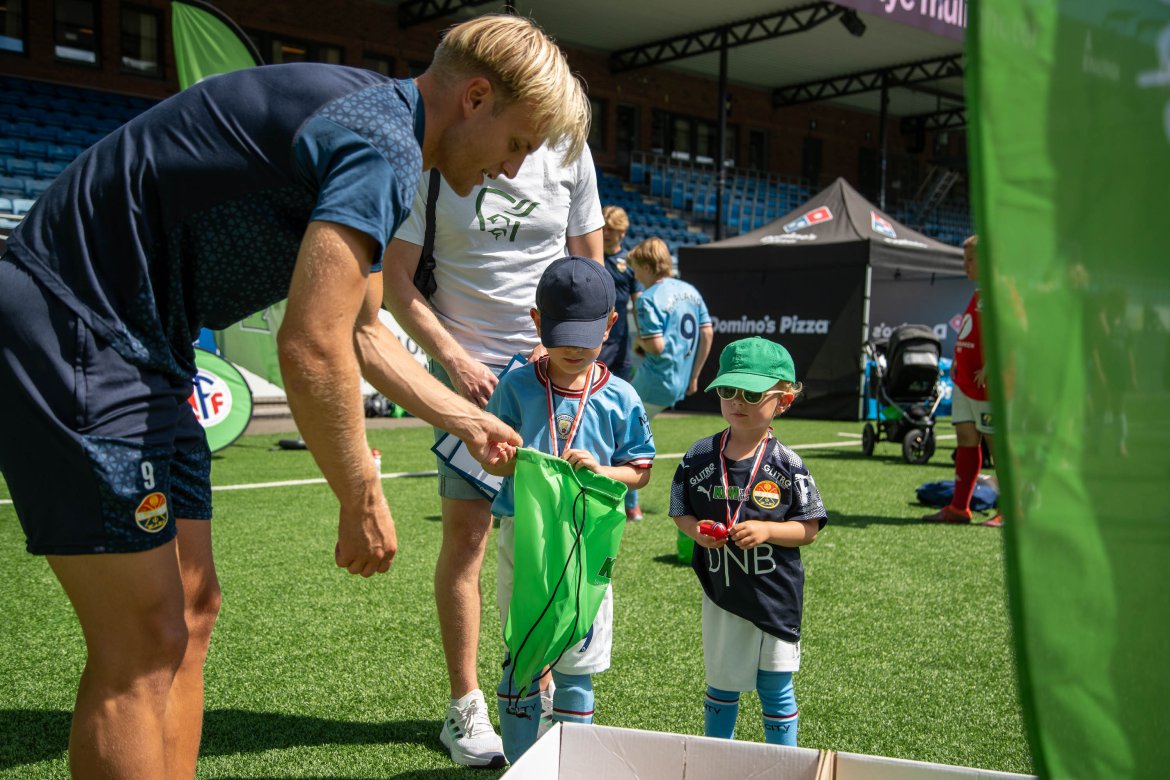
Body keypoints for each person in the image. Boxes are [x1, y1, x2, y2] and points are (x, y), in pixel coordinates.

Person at [0, 14, 585, 779]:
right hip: (74, 320)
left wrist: (467, 419)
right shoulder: (382, 143)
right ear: (475, 98)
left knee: (192, 612)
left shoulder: (385, 138)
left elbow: (364, 332)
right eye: (517, 144)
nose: (512, 171)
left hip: (151, 348)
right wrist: (360, 492)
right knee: (139, 641)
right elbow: (310, 344)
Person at [381, 136, 602, 766]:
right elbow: (396, 281)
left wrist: (559, 347)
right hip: (467, 379)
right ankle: (466, 704)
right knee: (468, 540)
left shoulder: (572, 151)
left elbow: (591, 269)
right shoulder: (437, 150)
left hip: (551, 375)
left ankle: (540, 688)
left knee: (548, 544)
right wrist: (453, 359)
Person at [481, 256, 655, 763]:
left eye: (586, 336)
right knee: (523, 652)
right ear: (537, 322)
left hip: (588, 542)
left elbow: (639, 471)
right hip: (525, 537)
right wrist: (499, 459)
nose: (574, 349)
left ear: (611, 324)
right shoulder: (515, 386)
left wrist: (603, 472)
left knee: (579, 660)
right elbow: (490, 455)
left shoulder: (621, 396)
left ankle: (572, 766)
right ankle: (520, 765)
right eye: (561, 336)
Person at [670, 337, 827, 746]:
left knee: (775, 687)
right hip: (722, 595)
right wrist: (695, 531)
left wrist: (768, 531)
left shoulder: (788, 463)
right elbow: (680, 510)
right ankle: (716, 761)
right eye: (728, 390)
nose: (737, 401)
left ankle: (784, 766)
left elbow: (809, 527)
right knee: (722, 686)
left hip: (774, 598)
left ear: (784, 401)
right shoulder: (698, 456)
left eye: (752, 394)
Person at [624, 236, 714, 521]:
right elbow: (707, 333)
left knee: (625, 434)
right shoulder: (691, 291)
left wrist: (638, 342)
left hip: (654, 380)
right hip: (679, 380)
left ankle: (630, 505)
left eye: (636, 268)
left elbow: (656, 346)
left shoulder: (648, 298)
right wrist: (694, 375)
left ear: (647, 266)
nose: (635, 275)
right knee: (635, 433)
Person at [924, 235, 1002, 526]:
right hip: (965, 382)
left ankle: (1011, 510)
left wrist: (991, 366)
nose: (965, 265)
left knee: (996, 446)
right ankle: (959, 508)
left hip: (986, 386)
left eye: (970, 259)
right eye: (964, 259)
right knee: (966, 440)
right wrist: (959, 357)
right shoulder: (979, 293)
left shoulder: (999, 293)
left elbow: (1008, 334)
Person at [597, 205, 642, 381]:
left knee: (622, 385)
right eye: (603, 228)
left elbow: (638, 302)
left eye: (611, 229)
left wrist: (642, 332)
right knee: (593, 384)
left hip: (621, 339)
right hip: (596, 338)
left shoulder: (631, 262)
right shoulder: (591, 257)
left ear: (622, 232)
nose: (605, 233)